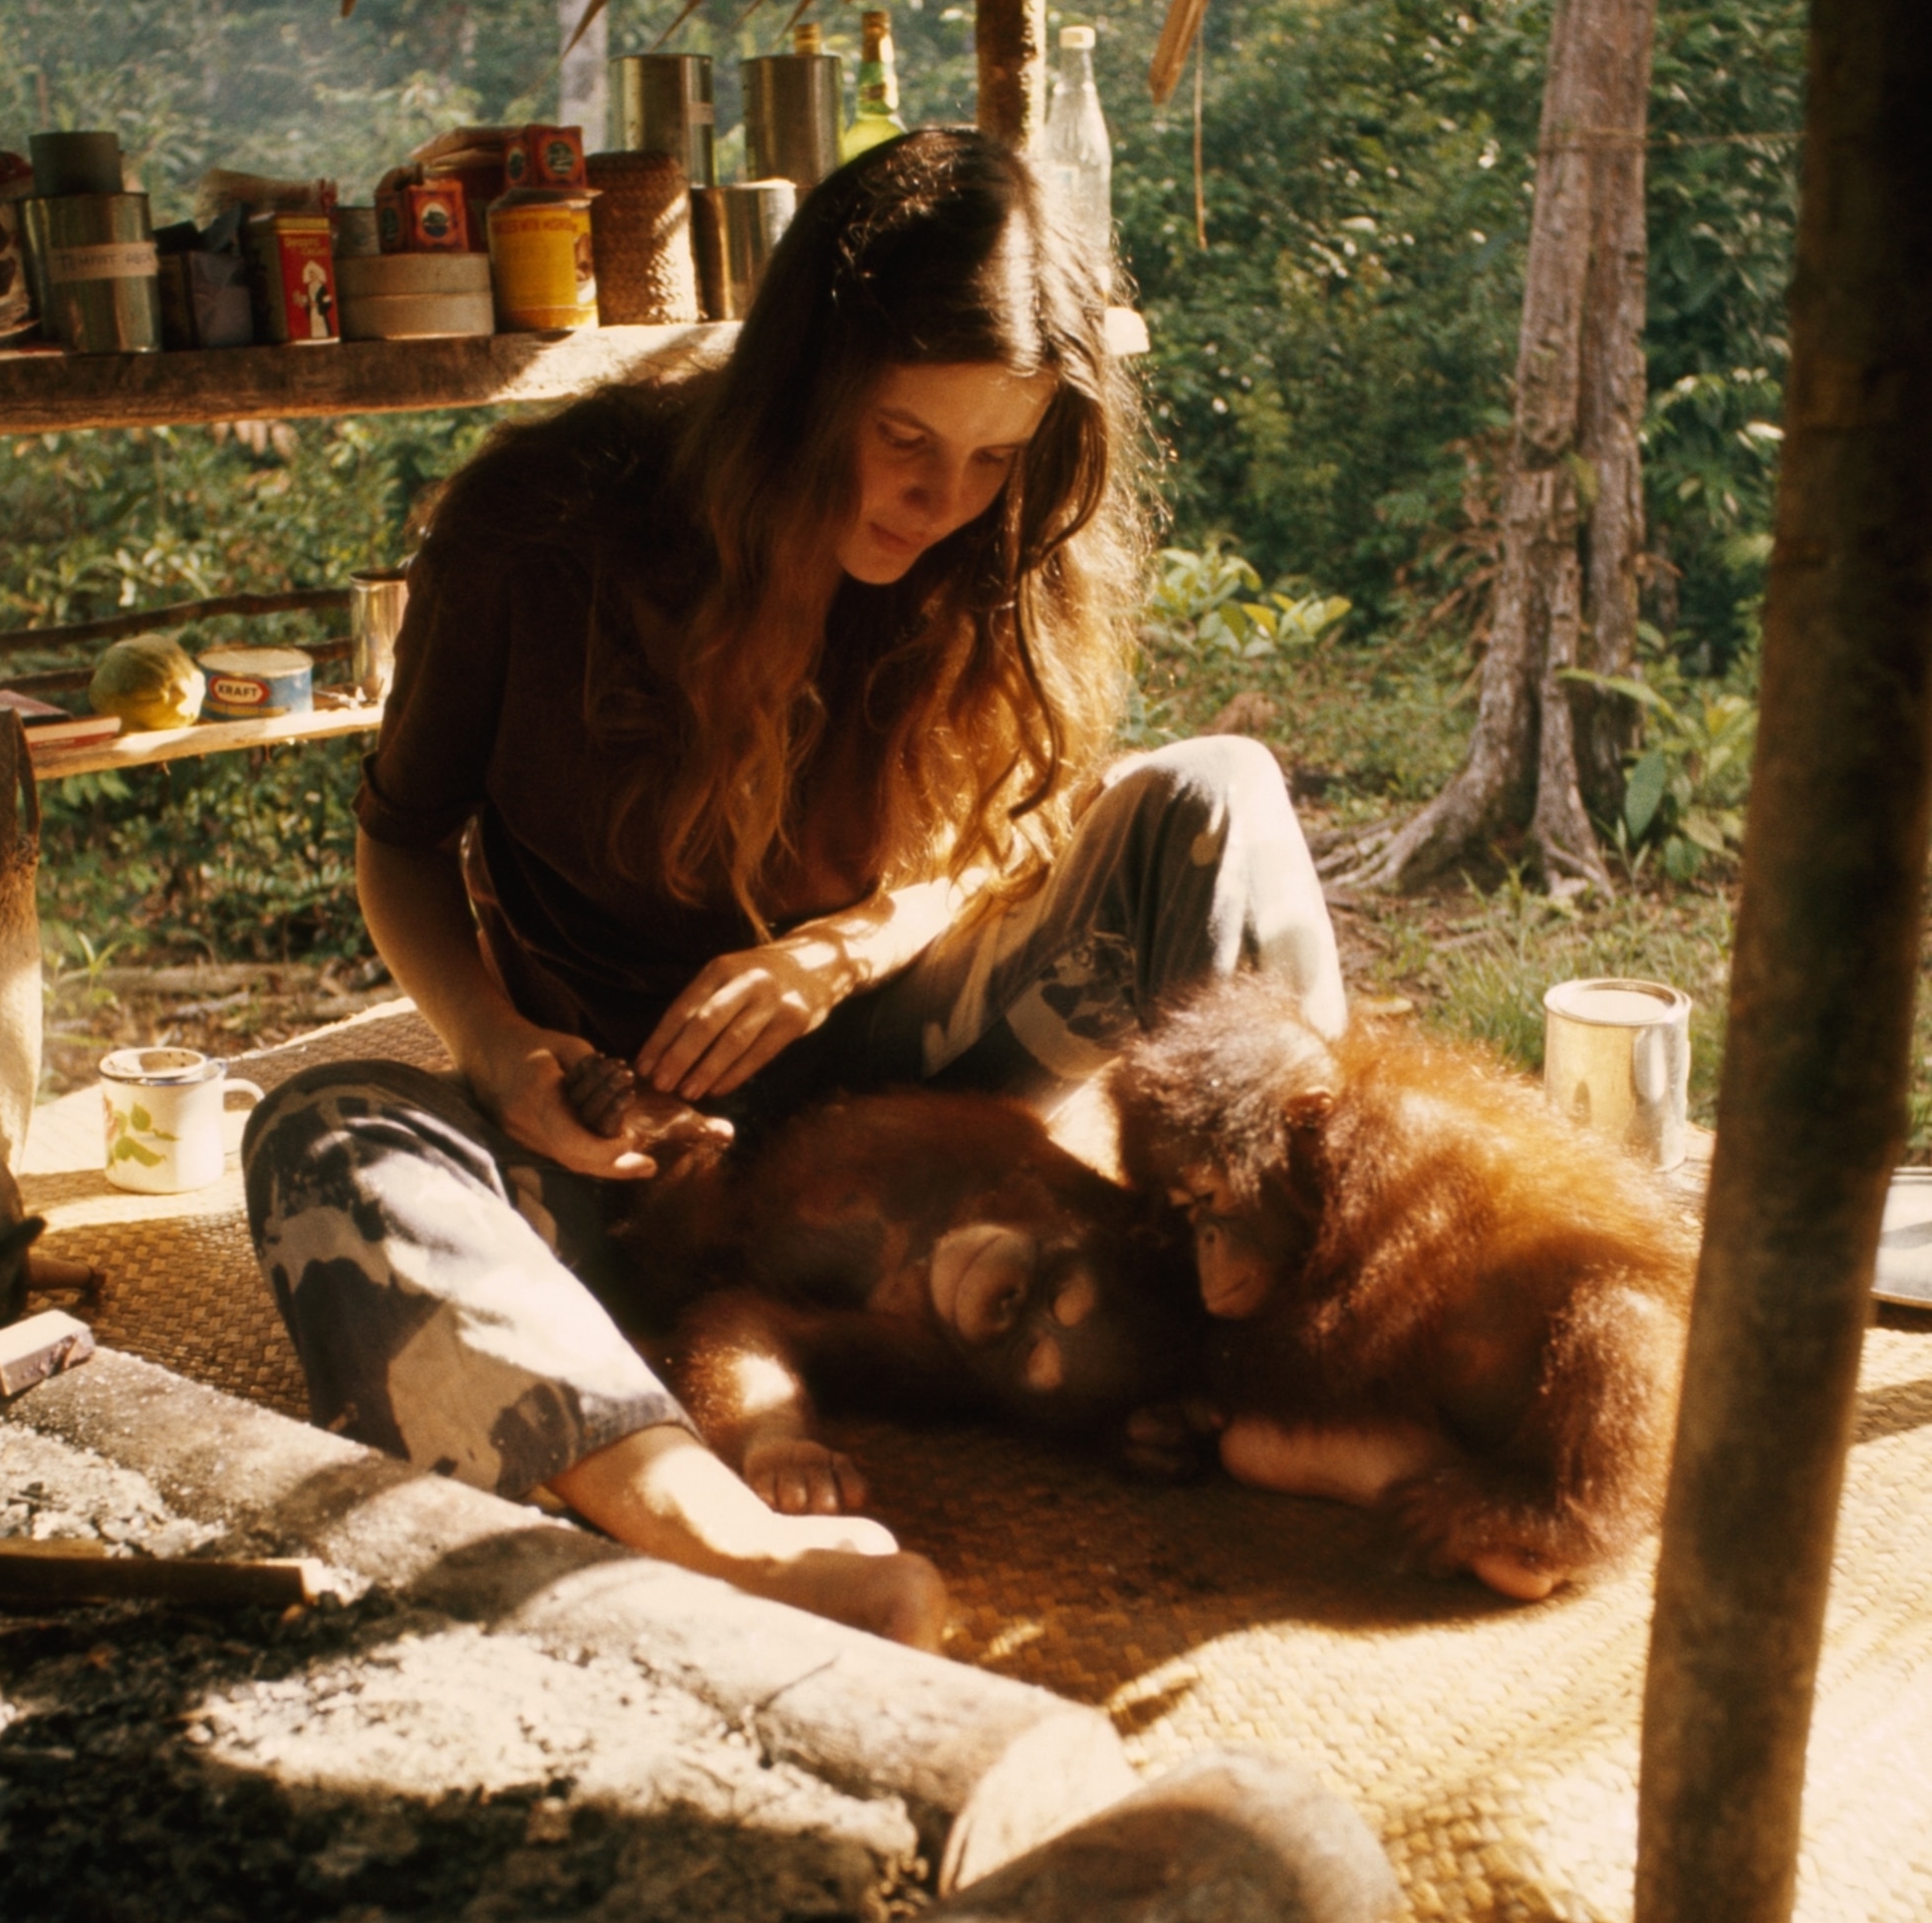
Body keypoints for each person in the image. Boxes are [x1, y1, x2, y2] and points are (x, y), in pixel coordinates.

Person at [242, 128, 1344, 1647]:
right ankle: (716, 1534)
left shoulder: (998, 547)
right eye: (902, 436)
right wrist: (506, 1057)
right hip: (637, 1143)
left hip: (916, 1066)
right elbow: (400, 842)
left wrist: (850, 945)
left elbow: (1012, 822)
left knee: (1214, 793)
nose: (940, 498)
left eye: (993, 455)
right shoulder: (537, 530)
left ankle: (1309, 1355)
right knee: (322, 1132)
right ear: (797, 382)